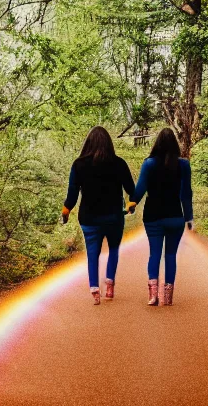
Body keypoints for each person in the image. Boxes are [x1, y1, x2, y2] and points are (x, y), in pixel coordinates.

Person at [61, 126, 135, 305]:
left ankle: (95, 290)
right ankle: (110, 284)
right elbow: (131, 189)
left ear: (88, 143)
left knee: (92, 253)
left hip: (89, 218)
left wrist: (66, 210)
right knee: (114, 250)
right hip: (114, 217)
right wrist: (131, 203)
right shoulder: (119, 163)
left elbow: (72, 193)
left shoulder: (79, 164)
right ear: (109, 143)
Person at [128, 128, 193, 306]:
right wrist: (189, 218)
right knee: (171, 255)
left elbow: (140, 189)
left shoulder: (149, 164)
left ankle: (153, 296)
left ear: (157, 144)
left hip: (153, 216)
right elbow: (186, 193)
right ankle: (168, 298)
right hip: (175, 217)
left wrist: (131, 204)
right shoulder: (183, 165)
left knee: (154, 254)